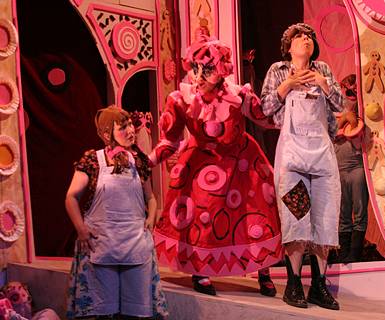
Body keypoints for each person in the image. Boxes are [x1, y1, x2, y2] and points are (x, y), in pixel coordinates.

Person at [148, 36, 282, 297]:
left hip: (242, 160)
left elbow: (264, 118)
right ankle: (201, 268)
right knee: (203, 209)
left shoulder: (237, 94)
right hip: (201, 161)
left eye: (208, 68)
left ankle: (263, 270)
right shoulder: (182, 99)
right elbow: (169, 140)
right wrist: (146, 162)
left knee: (258, 210)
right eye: (197, 67)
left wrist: (296, 114)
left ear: (221, 68)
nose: (200, 74)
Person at [261, 23, 343, 310]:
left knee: (325, 215)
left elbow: (340, 105)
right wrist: (288, 86)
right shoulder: (278, 70)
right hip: (293, 156)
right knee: (295, 216)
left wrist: (323, 84)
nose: (305, 39)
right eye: (299, 36)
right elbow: (265, 108)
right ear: (289, 45)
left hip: (322, 153)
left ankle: (319, 285)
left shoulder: (324, 70)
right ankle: (294, 283)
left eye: (309, 36)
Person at [65, 106, 168, 319]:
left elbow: (151, 197)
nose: (131, 130)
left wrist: (150, 217)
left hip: (135, 244)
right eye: (123, 127)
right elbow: (71, 197)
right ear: (106, 134)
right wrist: (81, 229)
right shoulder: (93, 160)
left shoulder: (138, 161)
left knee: (135, 312)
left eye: (130, 124)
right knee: (102, 311)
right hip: (102, 244)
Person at [333, 74, 368, 264]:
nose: (351, 94)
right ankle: (343, 253)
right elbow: (330, 135)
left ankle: (355, 252)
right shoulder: (333, 111)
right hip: (339, 167)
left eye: (355, 91)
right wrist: (343, 120)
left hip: (357, 166)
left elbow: (357, 136)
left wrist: (351, 119)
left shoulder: (363, 111)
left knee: (359, 209)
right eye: (348, 90)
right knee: (343, 211)